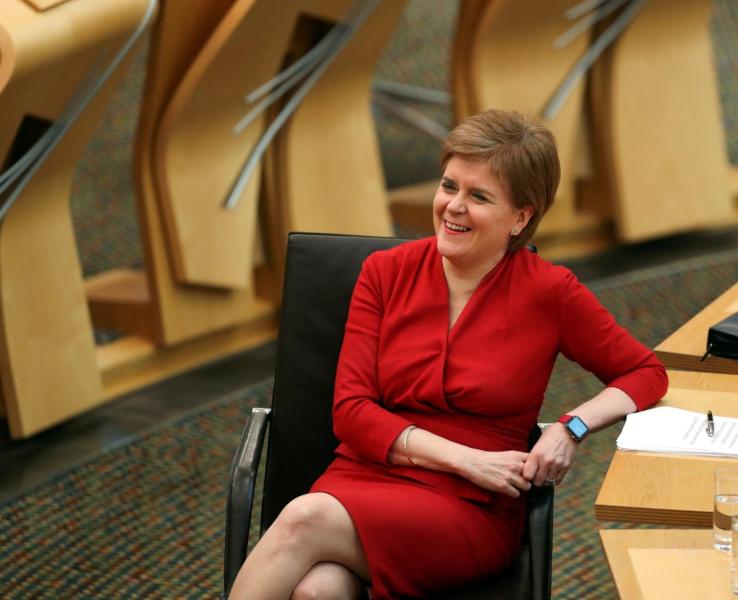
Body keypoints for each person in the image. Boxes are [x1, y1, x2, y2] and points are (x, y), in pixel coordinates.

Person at [229, 109, 667, 600]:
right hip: (367, 474)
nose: (453, 207)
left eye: (478, 196)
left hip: (471, 508)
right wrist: (464, 460)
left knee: (302, 519)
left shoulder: (550, 292)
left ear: (520, 217)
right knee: (318, 592)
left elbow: (645, 372)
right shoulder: (384, 273)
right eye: (448, 186)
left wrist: (572, 427)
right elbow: (351, 413)